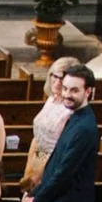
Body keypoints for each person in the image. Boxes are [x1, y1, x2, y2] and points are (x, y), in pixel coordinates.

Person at [22, 63, 100, 202]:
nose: (66, 94)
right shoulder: (75, 117)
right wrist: (34, 193)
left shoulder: (84, 127)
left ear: (88, 91)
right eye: (65, 88)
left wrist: (37, 201)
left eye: (74, 90)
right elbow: (55, 163)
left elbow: (64, 173)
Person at [21, 56, 82, 193]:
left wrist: (40, 174)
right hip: (35, 158)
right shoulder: (50, 99)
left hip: (53, 164)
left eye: (62, 78)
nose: (57, 82)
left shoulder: (69, 111)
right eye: (54, 76)